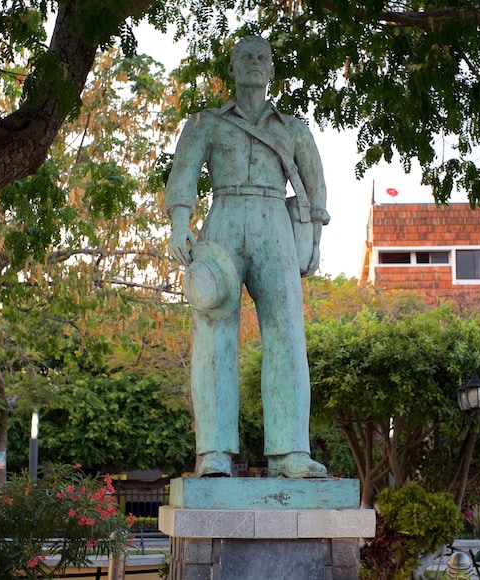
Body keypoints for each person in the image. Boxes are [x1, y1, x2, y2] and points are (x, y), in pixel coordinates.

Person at [164, 36, 330, 478]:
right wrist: (180, 224)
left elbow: (316, 190)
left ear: (271, 70)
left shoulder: (293, 129)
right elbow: (183, 174)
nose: (255, 65)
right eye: (245, 58)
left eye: (262, 58)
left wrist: (313, 237)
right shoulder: (205, 123)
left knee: (287, 333)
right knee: (214, 335)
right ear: (233, 68)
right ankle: (214, 452)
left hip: (275, 221)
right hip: (223, 219)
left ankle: (291, 452)